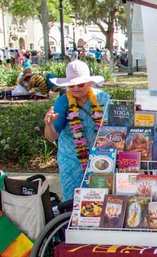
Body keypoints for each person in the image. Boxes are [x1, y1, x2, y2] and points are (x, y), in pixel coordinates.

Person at [43, 60, 111, 197]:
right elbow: (51, 137)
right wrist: (49, 124)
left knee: (101, 199)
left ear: (90, 83)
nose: (75, 88)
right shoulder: (62, 102)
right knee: (72, 200)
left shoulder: (103, 99)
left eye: (80, 84)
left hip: (101, 159)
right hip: (71, 161)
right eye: (71, 85)